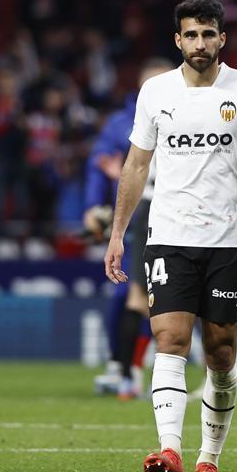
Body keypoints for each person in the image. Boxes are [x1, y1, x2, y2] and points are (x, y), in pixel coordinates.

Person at [103, 0, 237, 472]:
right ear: (178, 40)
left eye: (209, 34)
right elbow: (136, 165)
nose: (200, 44)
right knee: (169, 340)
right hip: (168, 235)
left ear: (222, 39)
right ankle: (171, 450)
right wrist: (119, 233)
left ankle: (210, 458)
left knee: (221, 353)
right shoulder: (155, 92)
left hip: (228, 241)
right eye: (191, 35)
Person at [86, 59, 173, 400]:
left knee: (152, 300)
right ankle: (126, 371)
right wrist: (97, 209)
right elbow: (103, 166)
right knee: (135, 297)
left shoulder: (181, 113)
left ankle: (133, 371)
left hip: (171, 211)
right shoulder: (125, 123)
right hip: (147, 211)